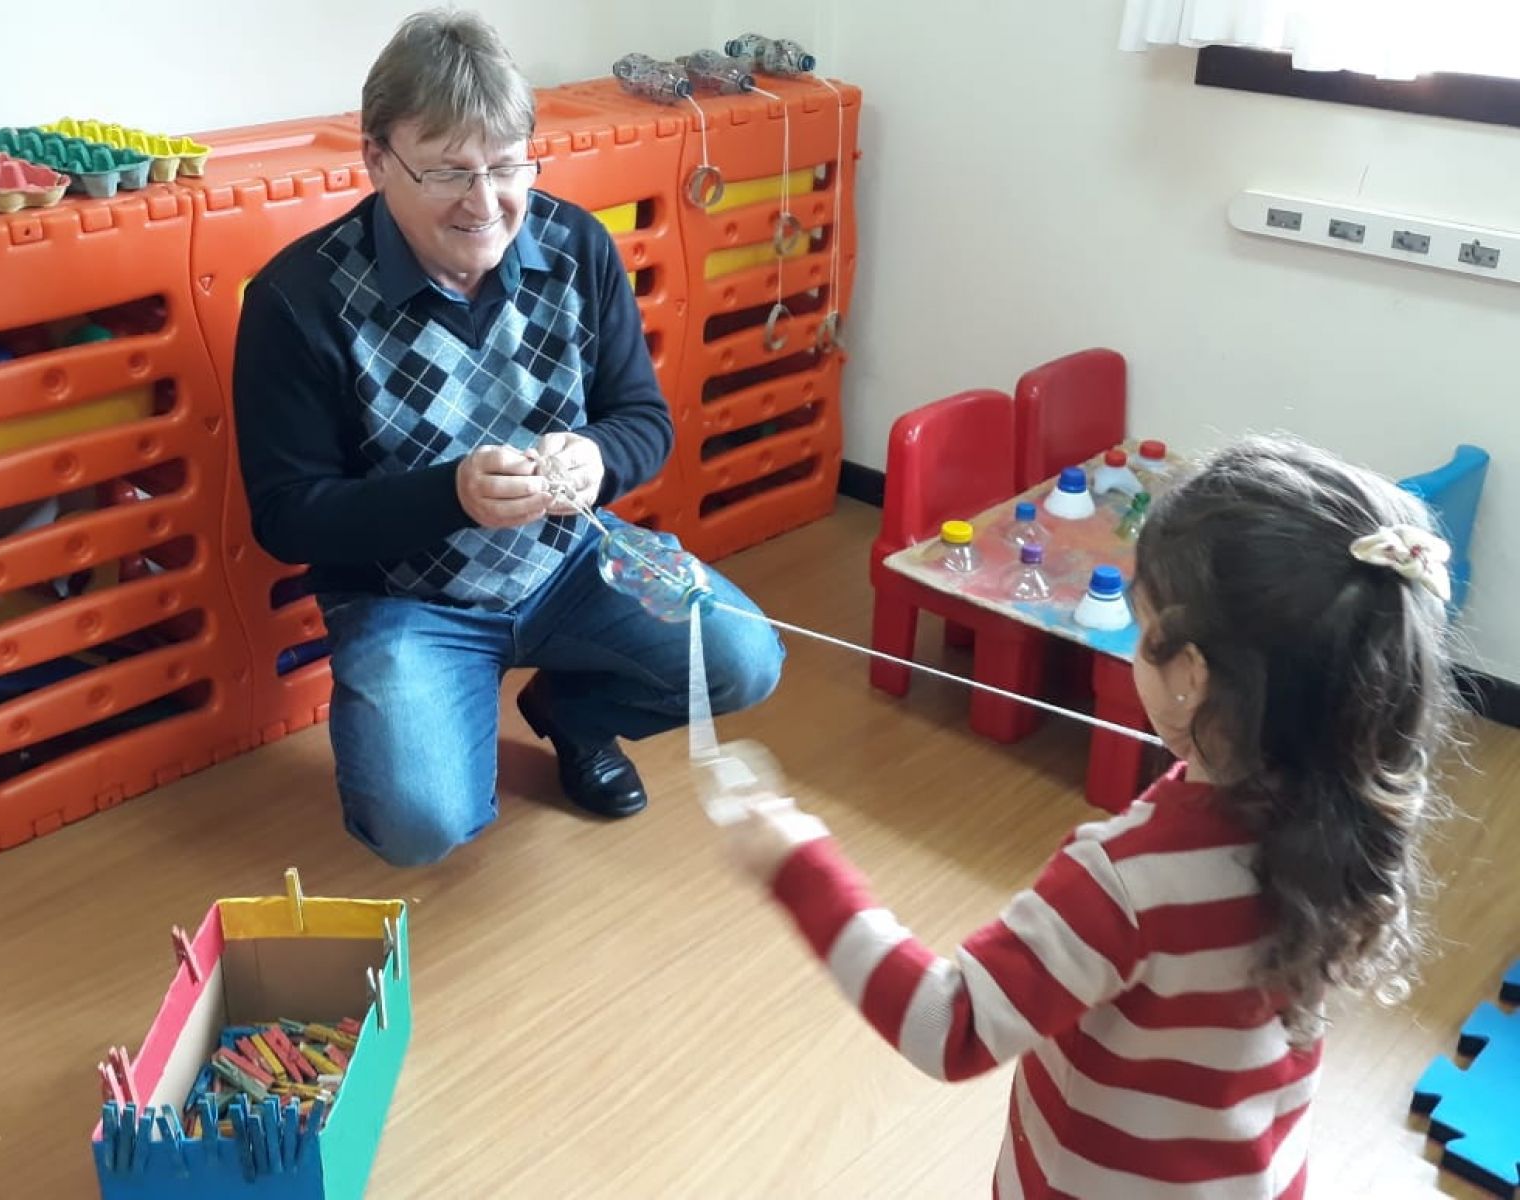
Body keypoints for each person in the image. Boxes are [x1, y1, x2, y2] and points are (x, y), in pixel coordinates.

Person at [725, 436, 1455, 1196]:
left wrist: (800, 868)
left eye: (1141, 628)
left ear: (1191, 674)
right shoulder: (1346, 812)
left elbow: (950, 1026)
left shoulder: (1126, 879)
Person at [232, 9, 783, 866]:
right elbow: (287, 516)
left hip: (568, 564)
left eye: (506, 166)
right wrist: (450, 495)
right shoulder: (297, 300)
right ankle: (451, 730)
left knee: (745, 659)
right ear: (377, 160)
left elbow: (644, 421)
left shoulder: (577, 247)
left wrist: (597, 458)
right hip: (405, 600)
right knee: (419, 825)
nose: (485, 203)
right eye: (448, 172)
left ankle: (573, 715)